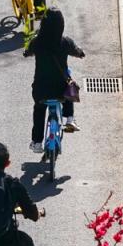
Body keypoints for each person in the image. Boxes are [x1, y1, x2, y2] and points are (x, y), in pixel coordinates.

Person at [25, 8, 83, 148]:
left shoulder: (37, 42)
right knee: (69, 84)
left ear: (43, 24)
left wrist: (27, 52)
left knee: (39, 110)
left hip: (41, 89)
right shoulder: (65, 42)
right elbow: (77, 51)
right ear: (61, 24)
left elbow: (28, 51)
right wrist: (80, 53)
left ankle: (37, 142)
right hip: (60, 90)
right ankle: (69, 118)